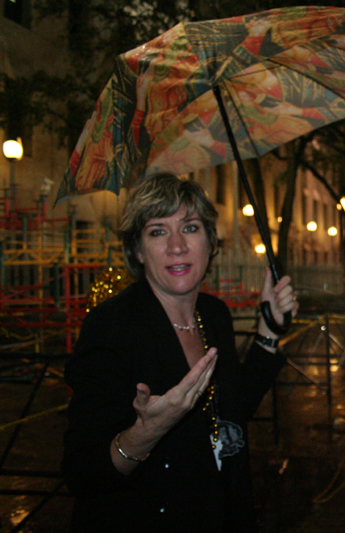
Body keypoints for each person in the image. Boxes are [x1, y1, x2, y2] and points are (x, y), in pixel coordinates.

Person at [62, 174, 299, 531]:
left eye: (189, 228)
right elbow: (83, 472)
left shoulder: (214, 315)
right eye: (158, 231)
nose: (176, 246)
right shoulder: (112, 325)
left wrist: (269, 332)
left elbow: (230, 413)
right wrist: (147, 431)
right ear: (138, 251)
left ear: (210, 242)